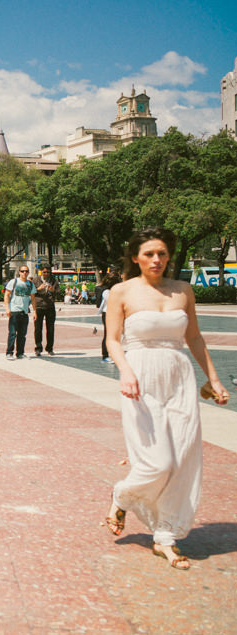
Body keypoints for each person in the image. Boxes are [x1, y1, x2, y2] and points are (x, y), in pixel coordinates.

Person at [103, 227, 228, 570]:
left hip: (179, 378)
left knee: (183, 458)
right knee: (157, 462)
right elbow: (113, 340)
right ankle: (122, 496)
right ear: (135, 258)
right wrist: (126, 371)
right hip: (140, 378)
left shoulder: (182, 290)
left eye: (161, 253)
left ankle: (166, 537)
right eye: (148, 254)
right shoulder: (122, 291)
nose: (156, 260)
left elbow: (195, 338)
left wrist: (213, 380)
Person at [3, 266, 36, 360]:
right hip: (14, 311)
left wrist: (35, 312)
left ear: (28, 272)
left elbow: (33, 298)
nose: (24, 273)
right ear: (19, 272)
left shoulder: (30, 284)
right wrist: (7, 309)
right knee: (12, 333)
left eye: (26, 271)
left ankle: (20, 353)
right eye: (22, 271)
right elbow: (7, 295)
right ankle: (9, 353)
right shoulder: (14, 282)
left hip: (24, 312)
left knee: (22, 334)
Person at [31, 265, 59, 356]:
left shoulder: (53, 280)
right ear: (41, 272)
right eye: (44, 272)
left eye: (48, 272)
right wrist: (39, 289)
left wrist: (53, 290)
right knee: (38, 329)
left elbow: (59, 293)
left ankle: (49, 348)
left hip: (50, 306)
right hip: (39, 306)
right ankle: (38, 348)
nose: (46, 274)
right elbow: (30, 292)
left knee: (50, 329)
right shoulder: (35, 280)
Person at [96, 272, 120, 363]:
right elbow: (113, 302)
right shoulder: (106, 292)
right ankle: (105, 355)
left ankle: (111, 353)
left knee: (112, 334)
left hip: (111, 314)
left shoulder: (110, 291)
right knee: (108, 334)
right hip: (108, 314)